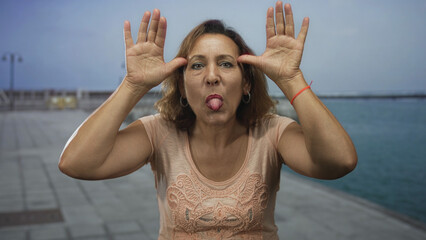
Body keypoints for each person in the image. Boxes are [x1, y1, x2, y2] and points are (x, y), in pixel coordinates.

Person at [59, 1, 357, 239]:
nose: (212, 76)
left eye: (226, 64)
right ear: (183, 87)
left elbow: (340, 161)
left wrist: (291, 79)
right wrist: (133, 85)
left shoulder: (272, 133)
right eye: (198, 65)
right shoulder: (158, 132)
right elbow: (76, 163)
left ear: (246, 85)